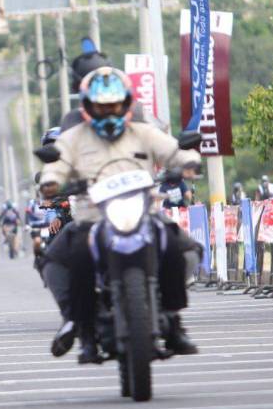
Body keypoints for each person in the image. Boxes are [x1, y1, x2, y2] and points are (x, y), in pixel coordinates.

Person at [39, 67, 202, 363]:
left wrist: (189, 162)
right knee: (60, 259)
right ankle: (82, 329)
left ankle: (174, 320)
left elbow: (175, 152)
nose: (108, 111)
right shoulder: (74, 136)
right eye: (101, 106)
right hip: (93, 218)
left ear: (126, 103)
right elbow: (56, 164)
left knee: (182, 248)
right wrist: (50, 181)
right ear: (88, 106)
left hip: (144, 212)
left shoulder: (144, 132)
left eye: (114, 105)